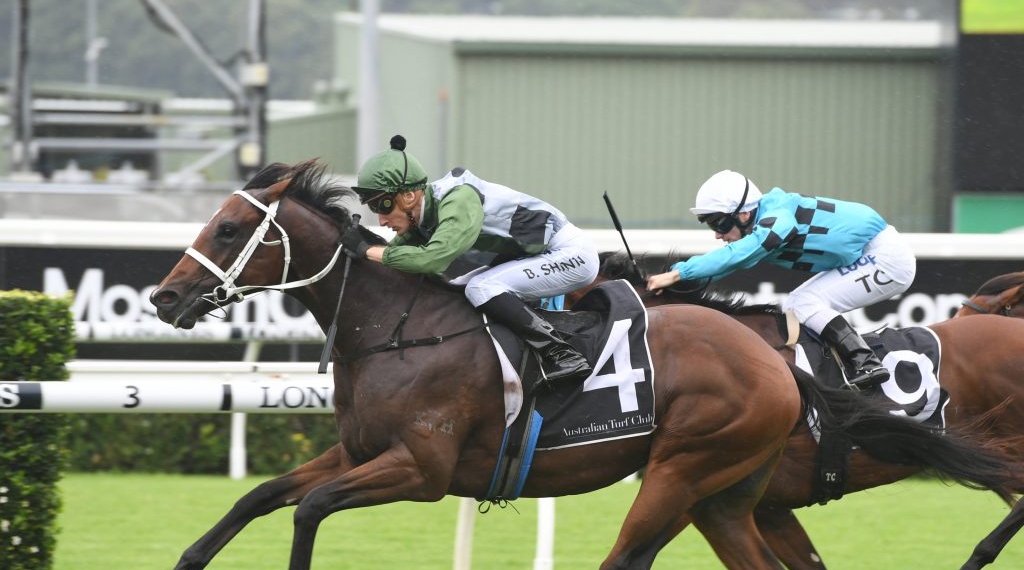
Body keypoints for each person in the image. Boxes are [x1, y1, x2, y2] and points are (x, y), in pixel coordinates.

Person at [341, 135, 598, 385]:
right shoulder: (424, 215)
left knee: (481, 287)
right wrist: (356, 250)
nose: (381, 220)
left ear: (409, 196)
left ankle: (563, 355)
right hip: (537, 256)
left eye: (383, 206)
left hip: (569, 254)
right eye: (373, 209)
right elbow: (395, 256)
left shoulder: (458, 199)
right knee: (458, 289)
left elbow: (431, 260)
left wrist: (366, 249)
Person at [646, 169, 917, 389]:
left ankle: (866, 362)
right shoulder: (763, 220)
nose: (717, 234)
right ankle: (842, 366)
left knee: (805, 302)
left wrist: (679, 273)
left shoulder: (778, 217)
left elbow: (739, 254)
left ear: (744, 214)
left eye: (719, 223)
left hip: (886, 257)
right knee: (797, 305)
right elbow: (730, 262)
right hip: (867, 255)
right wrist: (674, 280)